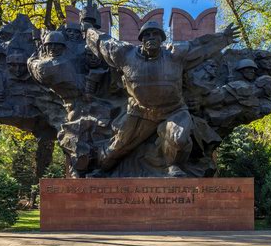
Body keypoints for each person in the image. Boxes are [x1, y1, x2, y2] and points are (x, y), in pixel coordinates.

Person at [85, 20, 240, 175]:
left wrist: (223, 38)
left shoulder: (175, 54)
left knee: (178, 137)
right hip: (140, 112)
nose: (151, 38)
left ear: (162, 39)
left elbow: (199, 46)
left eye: (156, 34)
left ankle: (173, 165)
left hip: (174, 111)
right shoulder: (125, 54)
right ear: (142, 39)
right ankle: (100, 168)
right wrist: (88, 30)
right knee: (119, 146)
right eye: (147, 35)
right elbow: (102, 43)